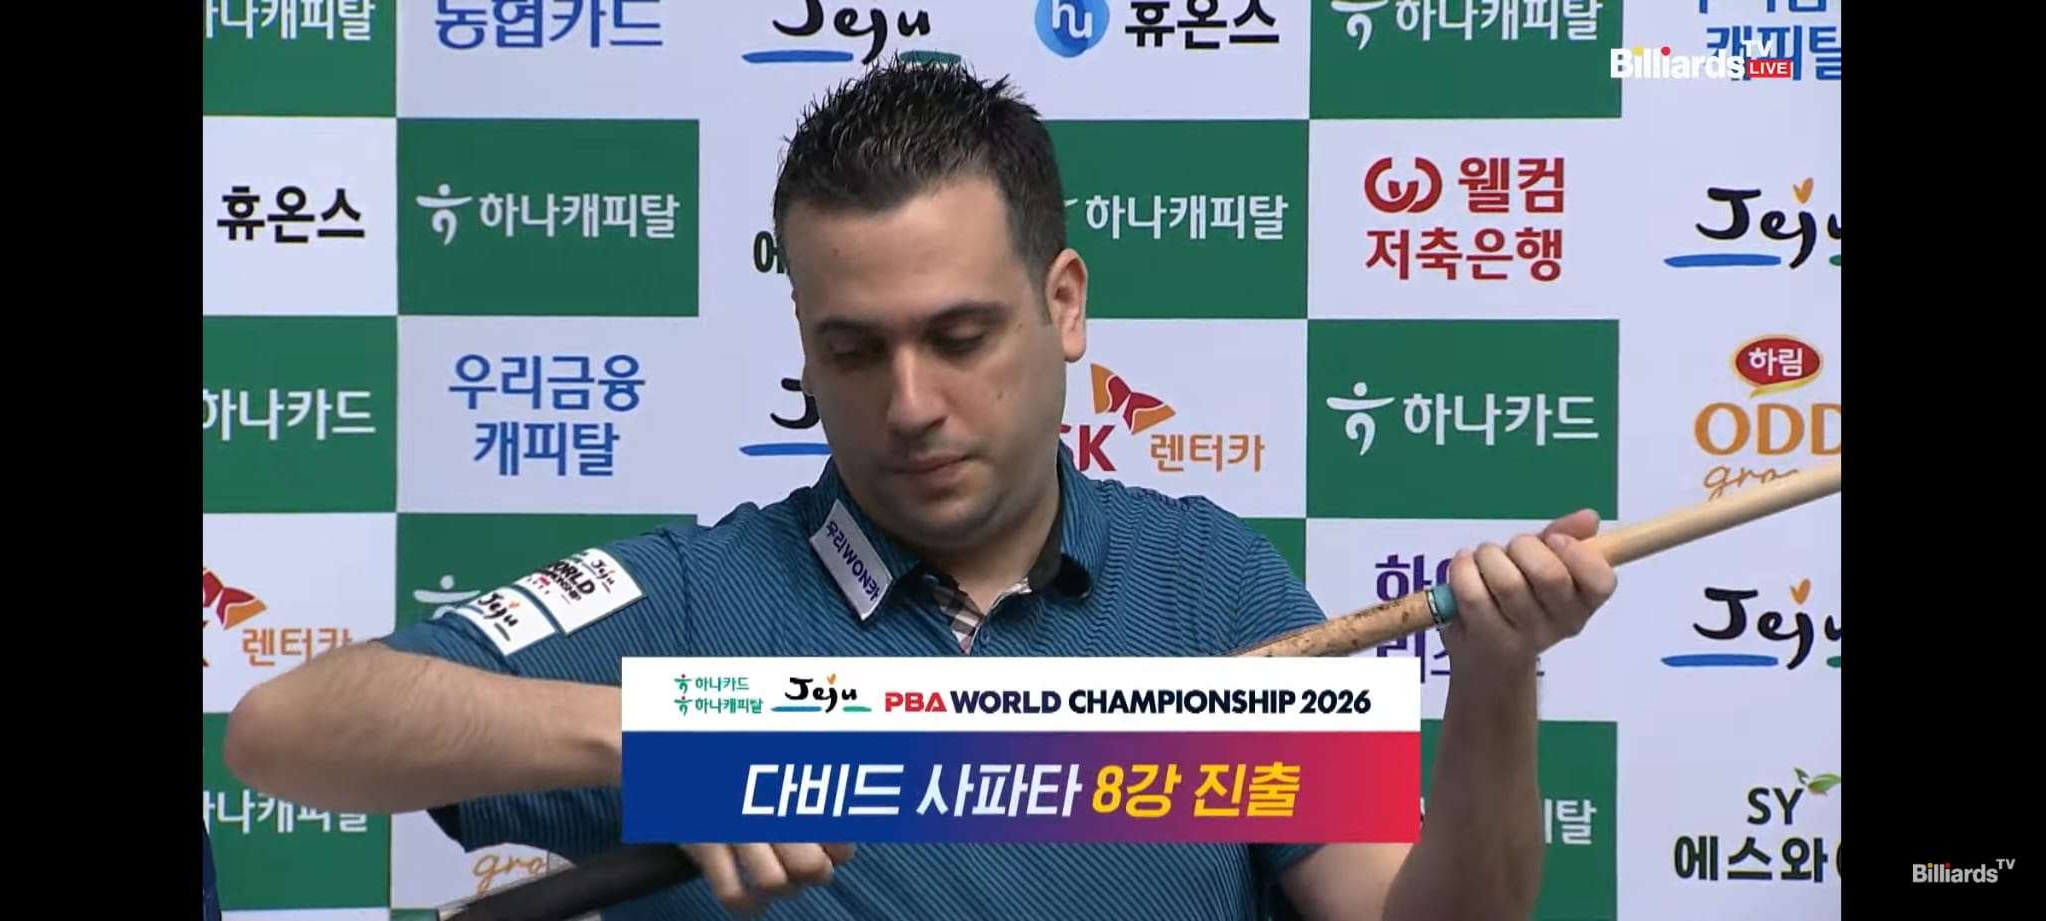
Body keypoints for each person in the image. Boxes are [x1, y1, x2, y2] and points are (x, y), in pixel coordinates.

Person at [222, 59, 1616, 921]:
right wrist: (663, 738)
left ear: (1062, 303)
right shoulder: (695, 602)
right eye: (853, 349)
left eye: (960, 337)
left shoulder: (1209, 587)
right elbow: (287, 731)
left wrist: (1498, 679)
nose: (908, 404)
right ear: (803, 343)